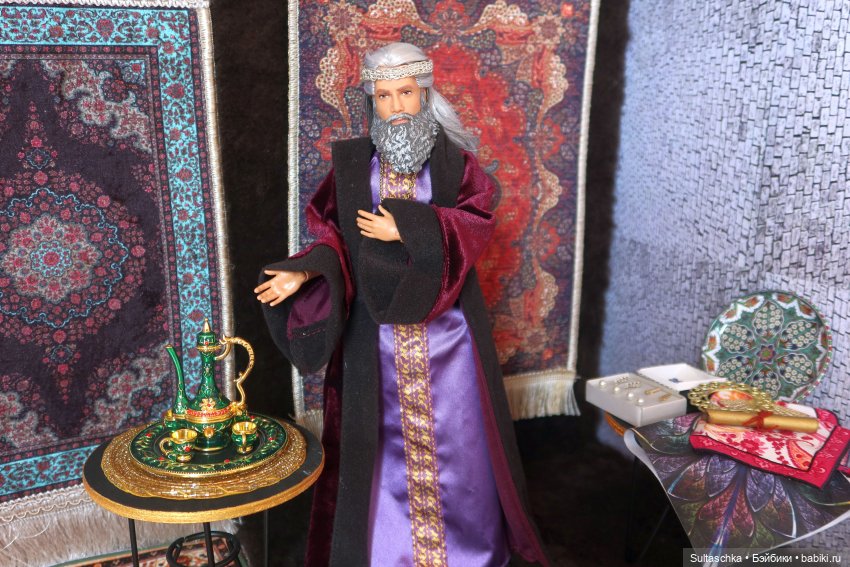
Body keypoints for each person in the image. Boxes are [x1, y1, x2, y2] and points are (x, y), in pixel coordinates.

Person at [256, 42, 549, 567]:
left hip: (447, 337)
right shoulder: (354, 167)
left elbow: (477, 221)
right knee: (380, 449)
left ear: (425, 94)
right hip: (376, 340)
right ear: (373, 101)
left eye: (406, 93)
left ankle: (469, 552)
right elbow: (333, 237)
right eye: (385, 96)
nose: (396, 106)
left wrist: (410, 227)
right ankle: (386, 553)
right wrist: (307, 270)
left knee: (460, 446)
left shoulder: (454, 165)